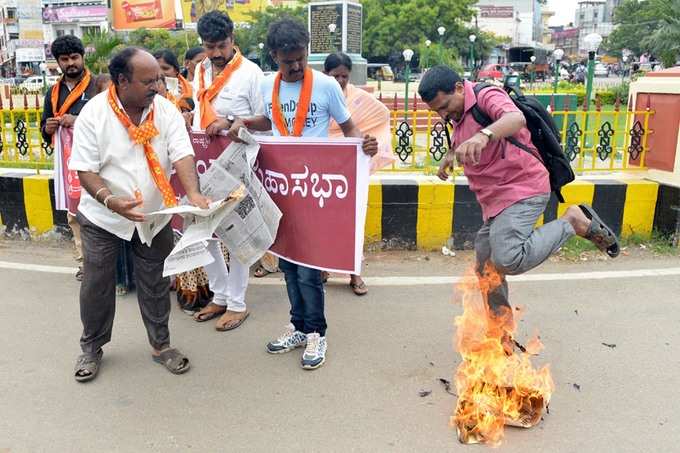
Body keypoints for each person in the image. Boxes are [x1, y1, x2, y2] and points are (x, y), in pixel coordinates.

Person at [417, 65, 620, 353]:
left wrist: (484, 135)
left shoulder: (487, 94)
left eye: (445, 106)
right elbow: (463, 136)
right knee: (486, 267)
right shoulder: (459, 115)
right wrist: (450, 155)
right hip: (495, 200)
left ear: (460, 88)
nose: (443, 115)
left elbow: (515, 118)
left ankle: (572, 222)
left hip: (522, 188)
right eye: (437, 111)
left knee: (508, 258)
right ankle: (500, 332)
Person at [227, 18, 378, 370]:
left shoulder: (326, 86)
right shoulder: (267, 86)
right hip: (281, 188)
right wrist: (247, 122)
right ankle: (298, 326)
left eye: (300, 59)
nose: (295, 67)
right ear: (273, 56)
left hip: (315, 189)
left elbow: (349, 127)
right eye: (287, 61)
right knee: (288, 265)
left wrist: (363, 145)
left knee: (309, 270)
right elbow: (270, 121)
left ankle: (316, 333)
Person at [69, 47, 211, 382]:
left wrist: (193, 193)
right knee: (97, 284)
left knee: (156, 281)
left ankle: (161, 346)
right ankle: (91, 347)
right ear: (122, 81)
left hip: (153, 214)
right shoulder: (94, 114)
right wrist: (109, 200)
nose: (158, 87)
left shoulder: (164, 110)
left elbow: (182, 154)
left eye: (160, 80)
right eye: (149, 81)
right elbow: (85, 170)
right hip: (104, 216)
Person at [188, 10, 265, 331]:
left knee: (235, 236)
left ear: (233, 39)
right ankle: (220, 295)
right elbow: (198, 111)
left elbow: (266, 120)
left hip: (238, 165)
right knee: (203, 235)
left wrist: (235, 123)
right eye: (209, 47)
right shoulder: (201, 72)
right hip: (203, 165)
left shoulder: (251, 73)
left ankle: (237, 303)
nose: (216, 53)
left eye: (221, 45)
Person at [324, 52, 395, 296]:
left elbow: (382, 116)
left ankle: (355, 274)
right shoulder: (319, 94)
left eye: (344, 76)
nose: (340, 81)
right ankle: (323, 268)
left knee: (353, 221)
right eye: (335, 76)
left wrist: (366, 142)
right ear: (326, 74)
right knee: (324, 221)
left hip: (351, 167)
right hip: (322, 169)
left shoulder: (358, 99)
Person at [40, 35, 97, 282]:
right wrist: (49, 127)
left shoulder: (98, 86)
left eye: (75, 57)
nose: (71, 63)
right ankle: (85, 263)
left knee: (101, 211)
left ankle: (108, 266)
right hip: (68, 163)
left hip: (97, 161)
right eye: (65, 59)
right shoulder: (53, 93)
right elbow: (43, 129)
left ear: (83, 57)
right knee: (74, 215)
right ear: (58, 63)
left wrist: (79, 121)